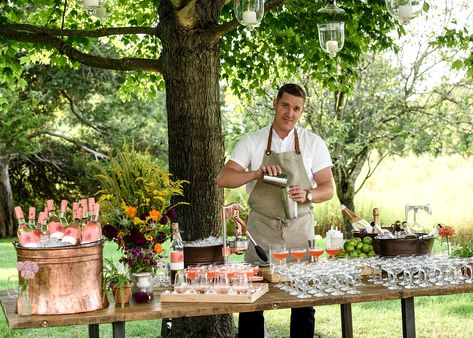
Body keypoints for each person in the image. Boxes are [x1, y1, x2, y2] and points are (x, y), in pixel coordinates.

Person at [216, 83, 334, 338]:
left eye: (296, 109)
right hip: (262, 230)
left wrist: (308, 194)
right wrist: (256, 173)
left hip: (300, 230)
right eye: (285, 105)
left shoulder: (313, 143)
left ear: (301, 112)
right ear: (275, 104)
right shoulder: (252, 141)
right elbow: (224, 178)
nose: (289, 113)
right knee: (252, 303)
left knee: (303, 302)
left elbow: (328, 188)